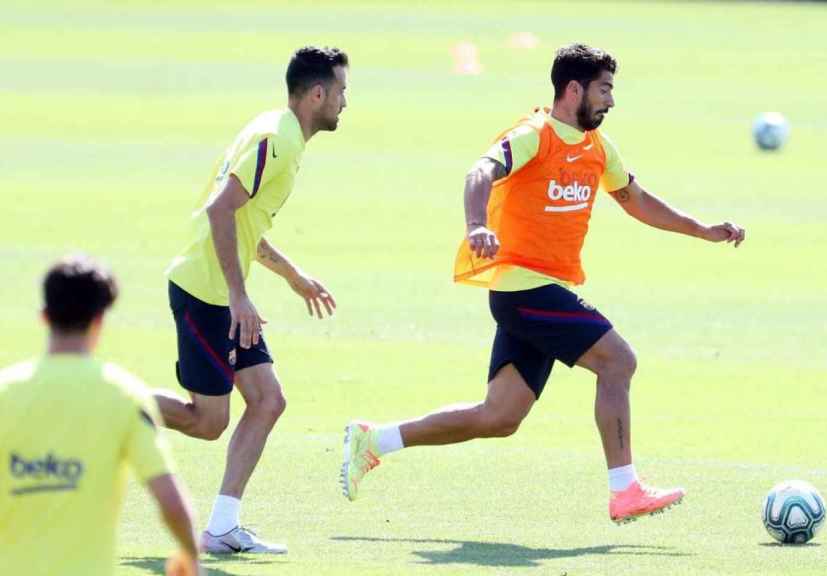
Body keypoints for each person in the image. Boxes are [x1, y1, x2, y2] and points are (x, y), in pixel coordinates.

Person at [340, 43, 745, 524]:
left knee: (500, 417)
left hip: (538, 291)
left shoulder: (598, 148)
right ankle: (625, 490)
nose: (611, 101)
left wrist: (701, 229)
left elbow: (637, 200)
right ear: (574, 89)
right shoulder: (534, 134)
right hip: (522, 288)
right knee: (618, 360)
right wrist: (475, 226)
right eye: (604, 89)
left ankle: (375, 439)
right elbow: (481, 171)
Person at [155, 46, 346, 553]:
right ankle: (110, 405)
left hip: (222, 291)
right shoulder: (276, 142)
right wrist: (239, 296)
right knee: (208, 420)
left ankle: (221, 527)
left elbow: (244, 225)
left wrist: (292, 276)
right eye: (342, 92)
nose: (346, 103)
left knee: (267, 400)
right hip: (206, 292)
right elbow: (220, 212)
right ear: (318, 94)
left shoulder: (279, 134)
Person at [0, 254, 203, 575]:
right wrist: (190, 556)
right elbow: (171, 503)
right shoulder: (126, 396)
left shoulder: (4, 392)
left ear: (44, 317)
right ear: (99, 321)